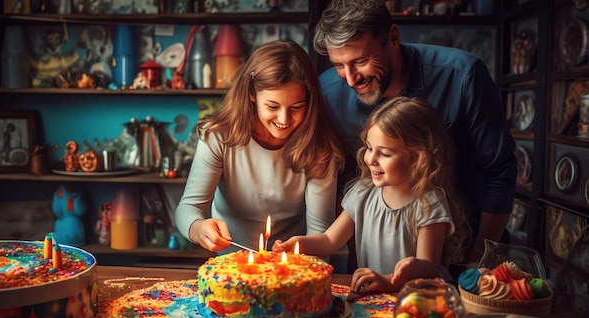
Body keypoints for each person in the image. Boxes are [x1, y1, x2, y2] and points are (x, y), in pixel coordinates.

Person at [313, 0, 517, 268]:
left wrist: (479, 261)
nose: (350, 79)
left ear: (394, 37)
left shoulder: (463, 77)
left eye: (361, 61)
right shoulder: (327, 93)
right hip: (370, 265)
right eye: (339, 65)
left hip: (465, 255)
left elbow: (500, 171)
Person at [274, 97, 470, 293]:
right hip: (375, 296)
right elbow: (329, 240)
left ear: (418, 158)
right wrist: (296, 244)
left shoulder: (429, 203)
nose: (371, 159)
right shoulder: (363, 193)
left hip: (419, 298)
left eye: (384, 153)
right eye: (369, 148)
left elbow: (428, 267)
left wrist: (392, 280)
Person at [175, 39, 345, 253]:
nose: (284, 119)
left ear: (309, 101)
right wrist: (198, 228)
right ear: (252, 94)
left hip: (293, 268)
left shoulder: (319, 147)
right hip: (230, 266)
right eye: (273, 106)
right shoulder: (218, 137)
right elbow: (189, 208)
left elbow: (320, 234)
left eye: (297, 106)